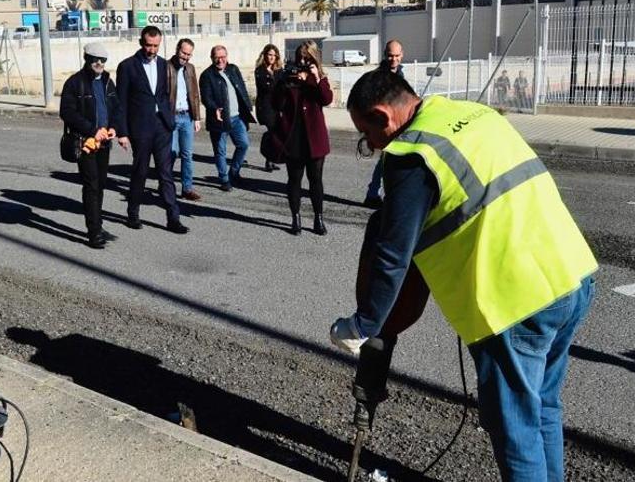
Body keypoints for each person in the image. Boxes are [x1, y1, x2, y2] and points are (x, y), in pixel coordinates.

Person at [331, 70, 598, 482]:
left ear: (383, 116)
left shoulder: (410, 154)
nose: (374, 146)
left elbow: (392, 256)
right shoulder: (472, 113)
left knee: (517, 430)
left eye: (368, 135)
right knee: (542, 406)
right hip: (571, 275)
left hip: (515, 304)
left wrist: (363, 324)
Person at [115, 25, 188, 234]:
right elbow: (122, 102)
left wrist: (169, 118)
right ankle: (133, 213)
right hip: (140, 128)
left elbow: (164, 94)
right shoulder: (127, 66)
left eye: (156, 46)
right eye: (149, 45)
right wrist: (123, 132)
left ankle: (173, 218)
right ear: (141, 42)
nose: (152, 50)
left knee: (166, 173)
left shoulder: (164, 65)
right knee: (141, 171)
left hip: (162, 126)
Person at [60, 43, 123, 249]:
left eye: (102, 60)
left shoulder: (107, 81)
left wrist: (114, 127)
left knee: (101, 185)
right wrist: (91, 130)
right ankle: (93, 232)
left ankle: (98, 225)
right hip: (85, 142)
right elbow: (67, 113)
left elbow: (116, 108)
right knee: (92, 185)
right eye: (94, 59)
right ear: (86, 58)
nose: (99, 63)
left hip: (104, 142)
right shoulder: (74, 83)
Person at [272, 40, 333, 236]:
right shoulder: (289, 77)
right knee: (294, 179)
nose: (303, 61)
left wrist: (315, 77)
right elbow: (278, 104)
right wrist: (283, 82)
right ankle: (295, 217)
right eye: (300, 57)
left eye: (307, 58)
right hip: (294, 136)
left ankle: (318, 218)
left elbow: (326, 99)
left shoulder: (319, 78)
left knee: (316, 179)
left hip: (314, 137)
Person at [199, 45, 256, 192]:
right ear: (212, 58)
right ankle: (224, 179)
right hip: (219, 119)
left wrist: (248, 107)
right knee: (220, 151)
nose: (220, 60)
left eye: (223, 56)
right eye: (217, 57)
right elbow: (206, 98)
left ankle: (234, 173)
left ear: (227, 56)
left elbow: (242, 88)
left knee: (243, 145)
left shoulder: (233, 69)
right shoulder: (207, 75)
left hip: (237, 117)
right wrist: (214, 108)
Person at [365, 39, 405, 208]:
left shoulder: (400, 73)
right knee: (388, 161)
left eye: (396, 55)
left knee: (388, 160)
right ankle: (376, 194)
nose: (393, 59)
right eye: (390, 56)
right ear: (384, 55)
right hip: (385, 126)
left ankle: (374, 193)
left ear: (402, 55)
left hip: (399, 123)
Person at [166, 38, 203, 201]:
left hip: (187, 116)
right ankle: (166, 186)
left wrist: (197, 118)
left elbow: (195, 93)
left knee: (187, 154)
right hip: (171, 117)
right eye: (183, 53)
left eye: (189, 54)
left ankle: (187, 188)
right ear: (177, 50)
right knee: (171, 153)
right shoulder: (165, 67)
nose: (186, 57)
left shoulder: (190, 68)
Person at [254, 44, 283, 173]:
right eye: (269, 55)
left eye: (274, 55)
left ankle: (271, 158)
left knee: (276, 132)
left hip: (277, 106)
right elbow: (265, 88)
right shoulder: (260, 71)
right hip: (266, 107)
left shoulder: (278, 70)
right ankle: (268, 160)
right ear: (265, 55)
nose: (271, 57)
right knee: (272, 131)